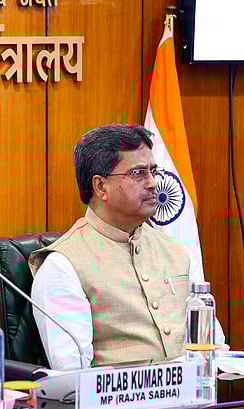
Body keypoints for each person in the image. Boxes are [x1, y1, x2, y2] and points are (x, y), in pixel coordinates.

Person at [29, 124, 191, 369]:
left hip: (193, 401)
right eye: (138, 173)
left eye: (153, 171)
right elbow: (72, 376)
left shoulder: (175, 251)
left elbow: (212, 346)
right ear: (100, 186)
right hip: (116, 404)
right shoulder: (63, 265)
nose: (153, 183)